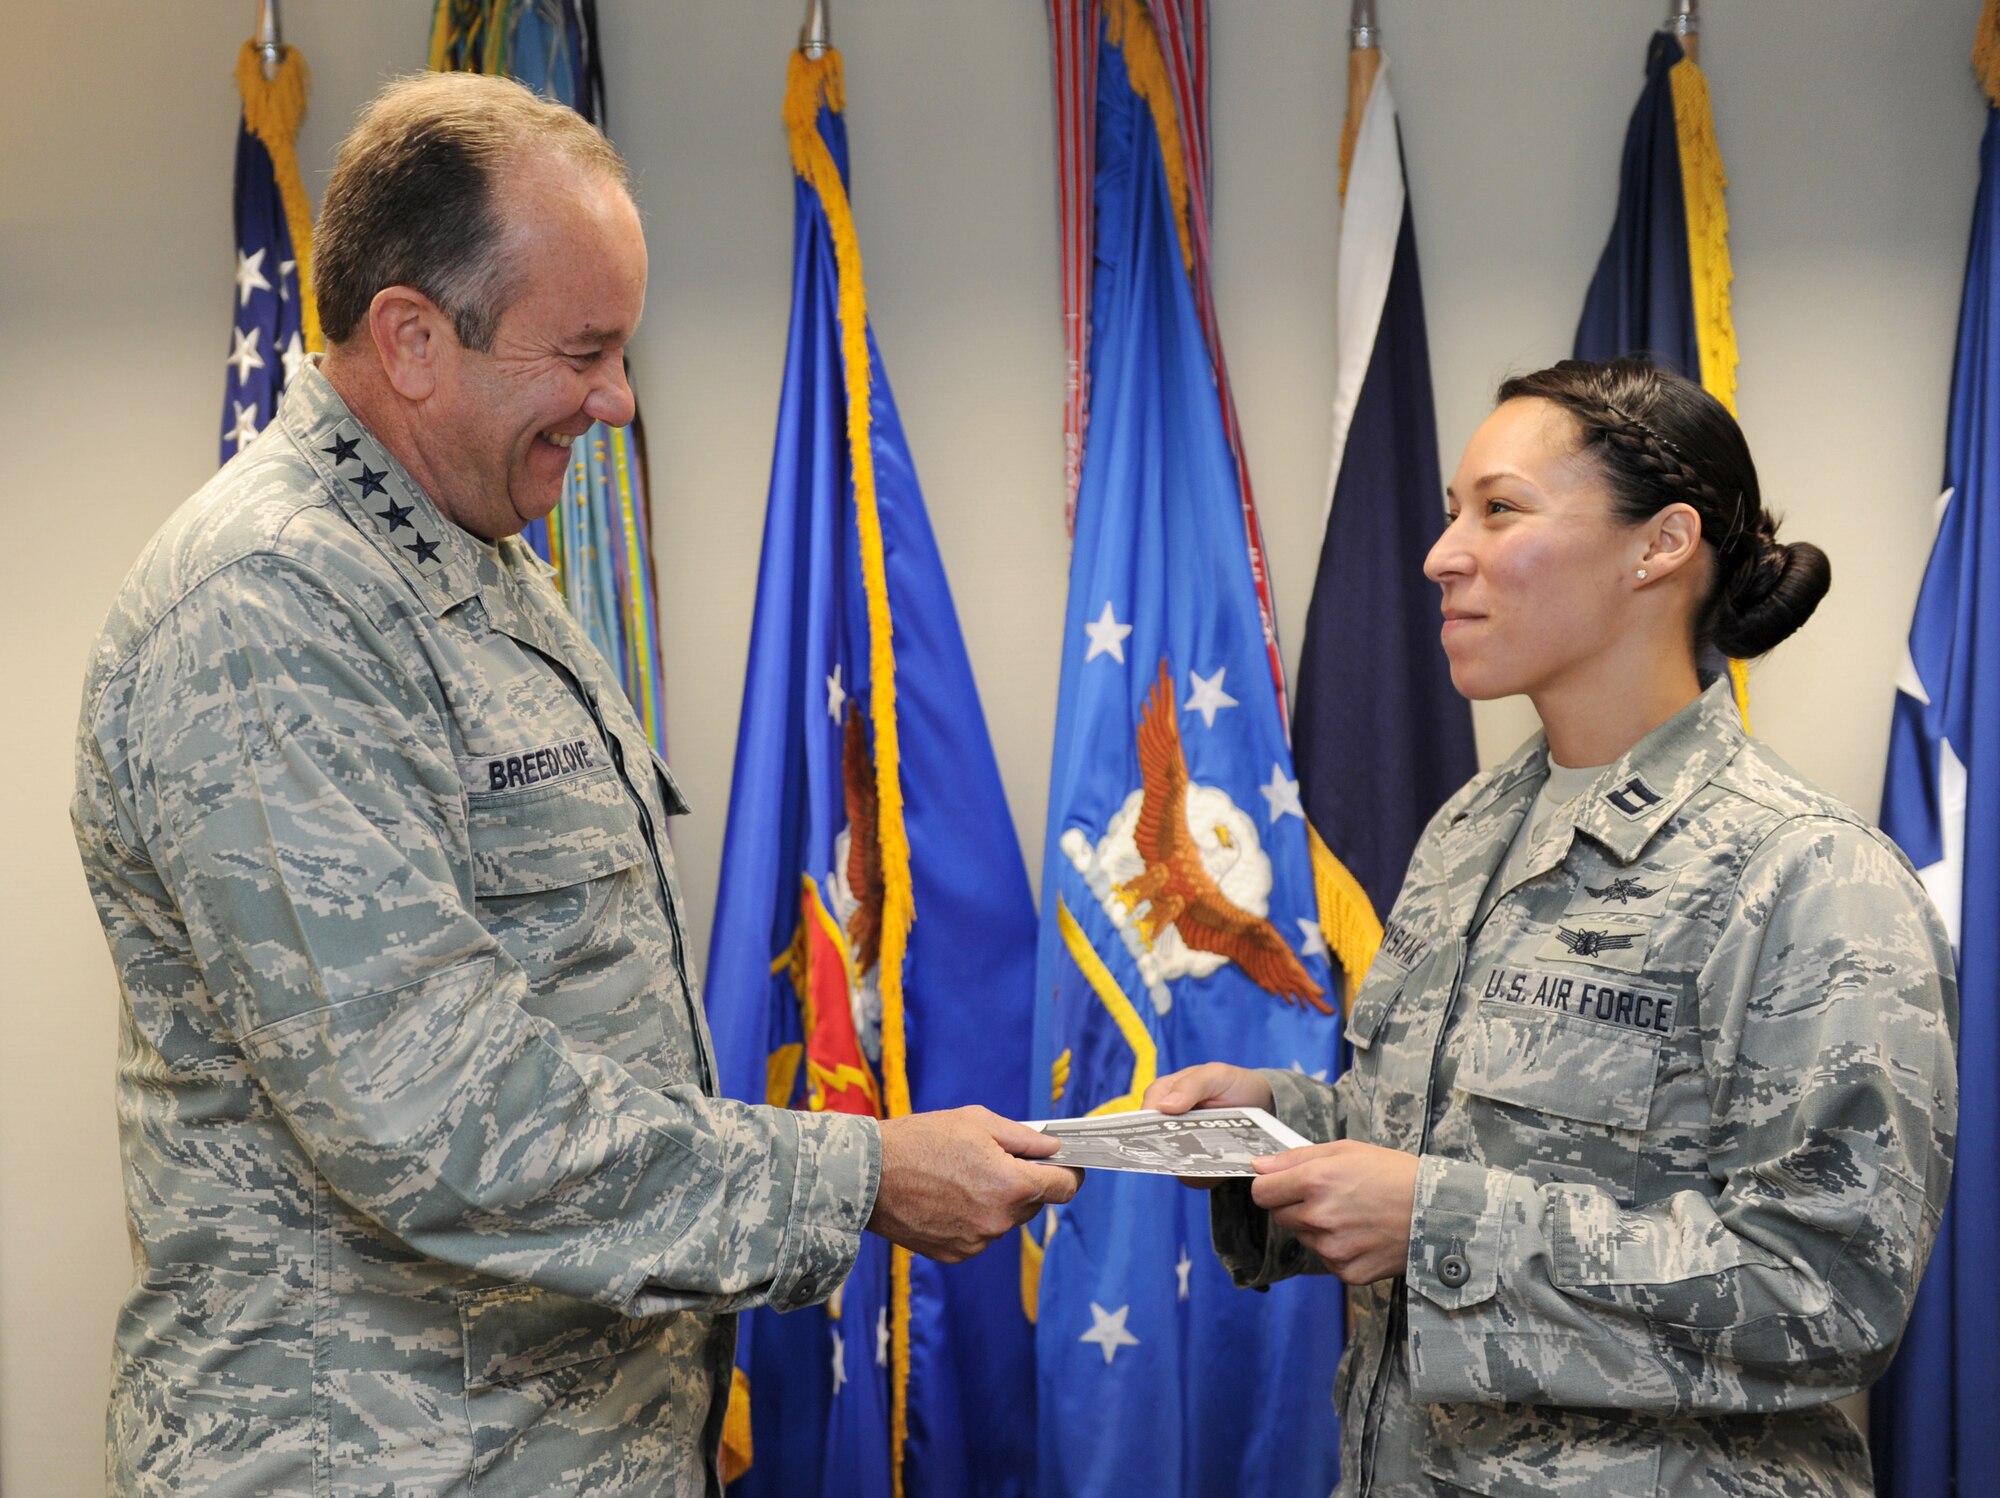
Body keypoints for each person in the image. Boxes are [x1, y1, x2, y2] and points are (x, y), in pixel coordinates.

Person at [71, 72, 1077, 1497]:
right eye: (585, 351)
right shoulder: (271, 609)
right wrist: (856, 1178)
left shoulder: (464, 551)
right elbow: (434, 1112)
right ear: (414, 338)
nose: (614, 400)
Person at [1144, 358, 1958, 1496]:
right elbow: (1465, 1141)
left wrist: (1434, 1219)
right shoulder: (1467, 834)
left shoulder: (1810, 878)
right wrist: (1285, 1127)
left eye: (1499, 509)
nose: (1440, 554)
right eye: (1447, 514)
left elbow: (1827, 1291)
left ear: (1657, 545)